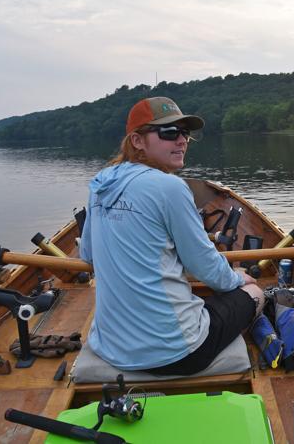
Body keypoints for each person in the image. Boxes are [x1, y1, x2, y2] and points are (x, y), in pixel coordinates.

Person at [79, 96, 264, 375]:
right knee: (254, 293)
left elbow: (88, 255)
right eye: (169, 132)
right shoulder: (170, 188)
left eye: (185, 133)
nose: (181, 141)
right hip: (179, 353)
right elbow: (206, 268)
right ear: (137, 141)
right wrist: (239, 277)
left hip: (111, 348)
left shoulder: (101, 185)